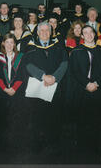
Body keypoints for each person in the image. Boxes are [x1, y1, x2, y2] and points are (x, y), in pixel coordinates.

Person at [66, 25, 101, 156]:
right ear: (81, 36)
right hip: (82, 90)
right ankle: (81, 147)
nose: (88, 35)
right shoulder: (76, 52)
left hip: (99, 90)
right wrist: (86, 84)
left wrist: (96, 83)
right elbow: (74, 71)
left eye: (90, 32)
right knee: (82, 120)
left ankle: (95, 147)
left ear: (95, 34)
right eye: (85, 33)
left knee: (97, 120)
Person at [24, 22, 68, 153]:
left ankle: (53, 145)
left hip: (55, 87)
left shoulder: (59, 47)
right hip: (37, 88)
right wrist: (43, 76)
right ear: (37, 33)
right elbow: (27, 65)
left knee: (54, 117)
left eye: (47, 30)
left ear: (51, 32)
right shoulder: (30, 47)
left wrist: (54, 78)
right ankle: (36, 144)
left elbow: (65, 63)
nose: (44, 33)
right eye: (41, 30)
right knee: (36, 117)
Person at [0, 33, 25, 151]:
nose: (9, 45)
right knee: (2, 119)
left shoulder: (21, 57)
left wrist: (14, 88)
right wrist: (5, 89)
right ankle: (1, 145)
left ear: (15, 44)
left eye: (12, 42)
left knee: (16, 118)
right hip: (2, 92)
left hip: (17, 92)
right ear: (3, 43)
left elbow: (23, 75)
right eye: (7, 42)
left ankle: (16, 144)